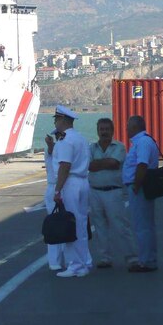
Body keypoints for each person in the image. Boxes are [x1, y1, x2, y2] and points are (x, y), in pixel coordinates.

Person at [88, 118, 138, 269]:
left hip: (113, 192)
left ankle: (132, 258)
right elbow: (90, 166)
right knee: (100, 227)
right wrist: (105, 163)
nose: (104, 132)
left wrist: (98, 164)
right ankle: (105, 258)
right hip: (95, 191)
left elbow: (114, 163)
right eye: (101, 129)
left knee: (121, 226)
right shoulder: (91, 148)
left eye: (106, 129)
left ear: (112, 131)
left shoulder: (120, 147)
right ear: (97, 131)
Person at [51, 105, 92, 278]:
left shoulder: (66, 140)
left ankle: (75, 265)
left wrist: (58, 190)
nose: (55, 122)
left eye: (56, 119)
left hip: (70, 184)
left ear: (62, 120)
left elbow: (64, 166)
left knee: (69, 224)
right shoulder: (81, 138)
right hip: (83, 182)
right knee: (81, 224)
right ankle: (84, 263)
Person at [122, 115, 159, 272]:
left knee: (142, 226)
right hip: (143, 186)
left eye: (128, 125)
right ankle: (149, 258)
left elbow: (142, 165)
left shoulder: (142, 142)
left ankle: (145, 261)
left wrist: (136, 185)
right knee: (146, 225)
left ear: (135, 127)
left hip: (140, 187)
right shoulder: (143, 141)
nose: (126, 128)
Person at [43, 130, 65, 271]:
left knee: (69, 223)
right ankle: (54, 261)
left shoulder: (67, 149)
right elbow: (51, 152)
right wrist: (51, 145)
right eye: (58, 136)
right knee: (54, 225)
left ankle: (69, 259)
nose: (59, 138)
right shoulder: (52, 149)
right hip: (53, 188)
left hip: (67, 187)